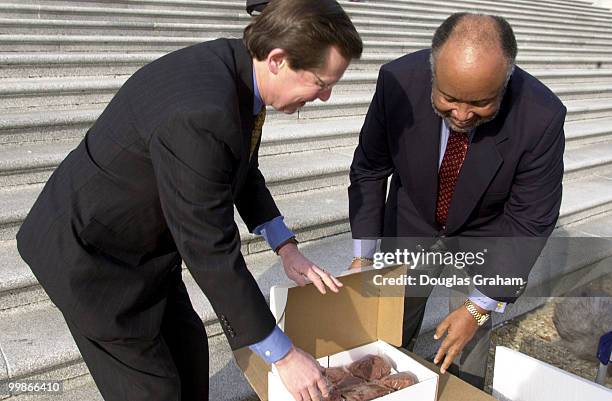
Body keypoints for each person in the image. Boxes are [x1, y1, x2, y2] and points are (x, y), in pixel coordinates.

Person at [16, 1, 362, 400]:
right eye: (320, 82)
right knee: (155, 390)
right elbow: (210, 250)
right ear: (278, 60)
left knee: (190, 355)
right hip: (92, 260)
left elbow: (240, 168)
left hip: (148, 249)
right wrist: (282, 356)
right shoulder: (201, 113)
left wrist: (286, 248)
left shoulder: (239, 72)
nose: (326, 97)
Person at [348, 12, 565, 389]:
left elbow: (530, 220)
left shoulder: (540, 117)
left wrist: (479, 305)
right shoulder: (398, 81)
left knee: (468, 340)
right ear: (432, 72)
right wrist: (362, 256)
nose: (462, 115)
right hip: (413, 220)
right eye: (448, 98)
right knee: (388, 328)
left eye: (481, 103)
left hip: (489, 231)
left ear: (506, 80)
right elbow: (369, 168)